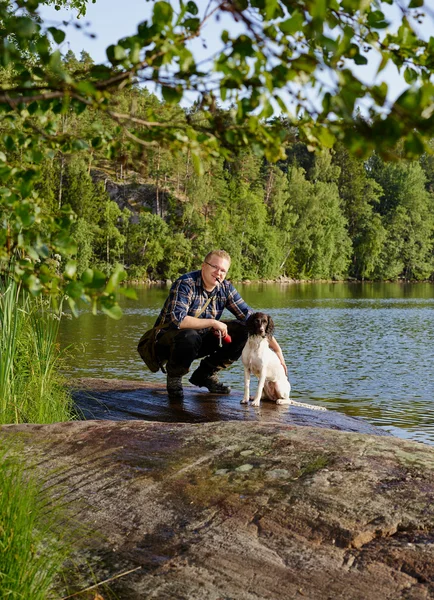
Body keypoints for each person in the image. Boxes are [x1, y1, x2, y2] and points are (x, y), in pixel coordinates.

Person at [154, 250, 287, 400]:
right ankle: (174, 378)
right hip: (168, 343)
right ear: (204, 266)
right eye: (214, 267)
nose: (218, 273)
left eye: (223, 270)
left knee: (243, 330)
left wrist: (277, 349)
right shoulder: (185, 283)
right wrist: (213, 322)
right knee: (189, 336)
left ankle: (205, 375)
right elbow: (178, 320)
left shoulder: (225, 288)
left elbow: (250, 318)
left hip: (199, 339)